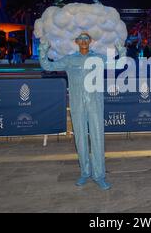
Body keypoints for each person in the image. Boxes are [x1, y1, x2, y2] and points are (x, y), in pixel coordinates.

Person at [39, 32, 126, 191]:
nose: (84, 41)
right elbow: (48, 65)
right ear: (77, 42)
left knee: (97, 137)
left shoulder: (99, 58)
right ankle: (85, 172)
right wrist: (43, 51)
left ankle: (99, 175)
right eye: (81, 38)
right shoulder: (70, 59)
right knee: (80, 138)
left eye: (87, 38)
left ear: (90, 41)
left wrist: (122, 50)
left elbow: (119, 64)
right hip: (77, 103)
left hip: (95, 104)